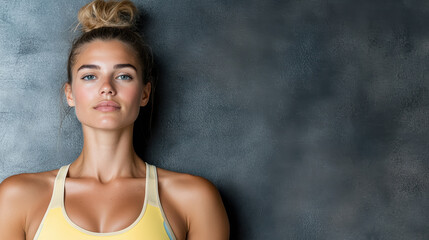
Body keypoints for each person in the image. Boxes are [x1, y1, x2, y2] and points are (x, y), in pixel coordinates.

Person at [0, 0, 230, 239]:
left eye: (123, 76)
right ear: (70, 93)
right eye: (90, 76)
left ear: (144, 93)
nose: (107, 88)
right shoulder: (18, 197)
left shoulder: (193, 199)